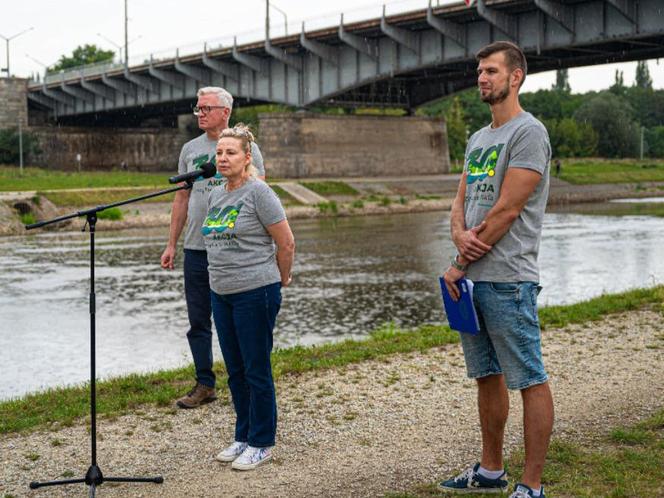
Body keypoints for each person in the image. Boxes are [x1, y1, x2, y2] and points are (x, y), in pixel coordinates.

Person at [440, 41, 553, 498]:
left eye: (491, 71)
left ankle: (531, 486)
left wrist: (458, 261)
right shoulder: (478, 138)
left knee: (529, 378)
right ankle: (490, 471)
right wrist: (456, 235)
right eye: (479, 71)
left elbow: (506, 211)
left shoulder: (529, 133)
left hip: (509, 280)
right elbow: (460, 201)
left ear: (516, 77)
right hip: (472, 282)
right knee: (486, 376)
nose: (482, 78)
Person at [160, 87, 266, 409]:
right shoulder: (190, 149)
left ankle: (246, 382)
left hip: (232, 247)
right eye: (198, 108)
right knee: (198, 319)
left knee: (236, 319)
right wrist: (171, 244)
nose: (200, 113)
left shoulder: (247, 148)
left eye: (206, 108)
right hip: (196, 247)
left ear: (225, 112)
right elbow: (181, 197)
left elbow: (260, 192)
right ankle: (205, 383)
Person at [204, 124, 294, 471]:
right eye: (219, 153)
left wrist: (281, 279)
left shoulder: (259, 192)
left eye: (230, 153)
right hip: (221, 293)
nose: (223, 158)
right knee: (235, 370)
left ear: (247, 158)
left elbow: (286, 243)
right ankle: (242, 435)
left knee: (257, 370)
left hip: (255, 291)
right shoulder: (216, 193)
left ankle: (261, 441)